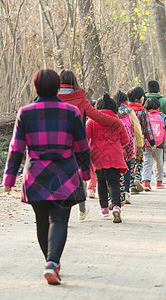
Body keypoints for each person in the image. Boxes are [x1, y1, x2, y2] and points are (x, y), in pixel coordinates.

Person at [3, 69, 91, 285]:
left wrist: (9, 178)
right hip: (65, 174)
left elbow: (16, 148)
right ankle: (52, 262)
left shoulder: (25, 112)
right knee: (59, 219)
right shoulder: (71, 112)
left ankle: (50, 263)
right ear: (57, 87)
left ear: (35, 88)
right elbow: (82, 146)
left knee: (42, 221)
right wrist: (86, 172)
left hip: (36, 175)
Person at [57, 69, 122, 220]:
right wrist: (115, 121)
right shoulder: (79, 97)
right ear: (74, 81)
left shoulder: (52, 97)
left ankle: (60, 209)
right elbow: (96, 115)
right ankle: (81, 207)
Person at [86, 94, 130, 223]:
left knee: (101, 182)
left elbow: (85, 137)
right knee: (114, 183)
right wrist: (116, 145)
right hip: (115, 156)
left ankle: (104, 209)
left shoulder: (92, 122)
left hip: (98, 156)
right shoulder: (118, 122)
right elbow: (126, 140)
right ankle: (116, 206)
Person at [115, 91, 143, 204]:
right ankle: (126, 193)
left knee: (115, 170)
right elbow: (137, 129)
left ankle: (117, 194)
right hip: (128, 144)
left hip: (114, 144)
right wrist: (140, 145)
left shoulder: (112, 111)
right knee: (127, 169)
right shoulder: (129, 112)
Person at [142, 97, 166, 189]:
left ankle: (146, 182)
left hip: (146, 142)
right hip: (159, 143)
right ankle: (159, 182)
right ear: (158, 106)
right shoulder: (162, 116)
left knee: (147, 161)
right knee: (159, 162)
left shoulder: (145, 115)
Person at [126, 86, 155, 194]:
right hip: (139, 142)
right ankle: (138, 178)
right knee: (139, 162)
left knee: (130, 163)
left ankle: (132, 185)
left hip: (127, 142)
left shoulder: (125, 110)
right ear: (139, 99)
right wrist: (152, 142)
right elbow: (147, 128)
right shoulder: (142, 111)